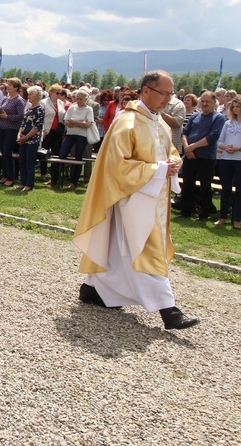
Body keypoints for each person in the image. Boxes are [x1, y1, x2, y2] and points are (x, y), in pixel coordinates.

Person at [73, 70, 199, 330]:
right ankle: (168, 310)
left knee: (115, 245)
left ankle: (92, 289)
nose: (168, 99)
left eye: (170, 94)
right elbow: (117, 165)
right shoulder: (127, 122)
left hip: (151, 196)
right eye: (164, 93)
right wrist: (160, 169)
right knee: (144, 248)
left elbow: (169, 151)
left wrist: (174, 162)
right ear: (146, 91)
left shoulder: (160, 122)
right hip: (129, 195)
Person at [179, 91, 226, 221]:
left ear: (214, 103)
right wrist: (187, 148)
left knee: (205, 186)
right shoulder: (195, 116)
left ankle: (204, 213)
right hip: (190, 156)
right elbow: (184, 133)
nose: (204, 104)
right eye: (203, 101)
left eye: (208, 102)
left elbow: (213, 137)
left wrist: (192, 147)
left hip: (206, 157)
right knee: (187, 183)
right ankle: (185, 211)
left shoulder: (218, 118)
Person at [215, 95, 241, 230]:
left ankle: (237, 219)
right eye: (234, 107)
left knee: (240, 191)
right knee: (225, 189)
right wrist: (225, 147)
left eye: (238, 106)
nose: (235, 109)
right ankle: (223, 217)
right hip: (226, 159)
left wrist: (240, 148)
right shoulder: (228, 123)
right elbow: (220, 142)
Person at [58, 88, 92, 189]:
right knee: (62, 154)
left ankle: (74, 181)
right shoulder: (72, 108)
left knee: (78, 157)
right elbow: (66, 121)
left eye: (80, 99)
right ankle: (60, 178)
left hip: (82, 136)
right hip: (70, 134)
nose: (78, 101)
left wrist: (75, 122)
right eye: (77, 99)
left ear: (85, 99)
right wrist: (81, 122)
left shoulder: (88, 109)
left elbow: (88, 124)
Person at [0, 77, 25, 185]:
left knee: (8, 152)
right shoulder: (5, 99)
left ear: (16, 88)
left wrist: (7, 116)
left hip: (12, 129)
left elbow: (21, 116)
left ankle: (11, 178)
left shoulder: (19, 101)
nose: (8, 87)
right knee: (3, 152)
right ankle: (4, 175)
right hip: (3, 128)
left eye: (11, 85)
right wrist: (0, 114)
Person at [16, 86, 45, 192]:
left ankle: (29, 184)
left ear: (37, 96)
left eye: (30, 94)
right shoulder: (28, 109)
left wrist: (26, 137)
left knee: (29, 162)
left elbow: (37, 127)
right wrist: (19, 135)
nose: (28, 97)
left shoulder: (40, 110)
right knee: (22, 161)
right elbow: (23, 124)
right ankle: (22, 182)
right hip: (23, 139)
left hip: (32, 140)